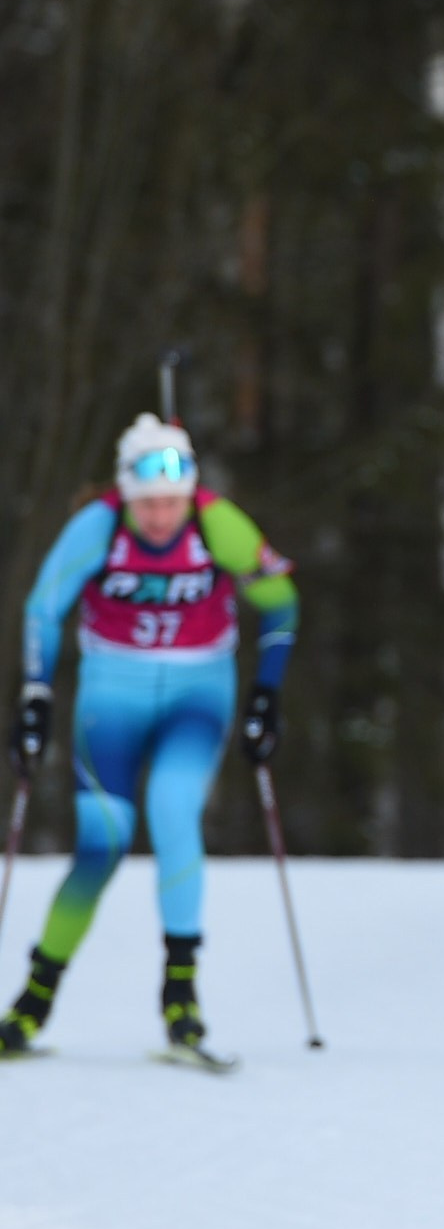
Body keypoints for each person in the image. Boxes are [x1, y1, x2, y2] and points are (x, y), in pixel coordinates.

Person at [2, 415, 299, 1063]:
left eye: (171, 502)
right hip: (112, 700)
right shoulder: (98, 527)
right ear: (125, 497)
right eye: (148, 505)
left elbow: (279, 602)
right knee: (101, 845)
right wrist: (35, 696)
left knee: (173, 812)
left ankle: (181, 1000)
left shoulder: (217, 523)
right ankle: (32, 1001)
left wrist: (266, 695)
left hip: (198, 697)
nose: (161, 517)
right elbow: (42, 608)